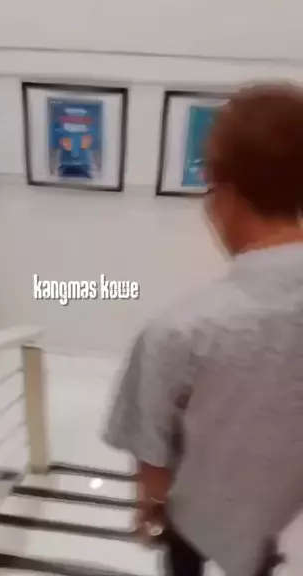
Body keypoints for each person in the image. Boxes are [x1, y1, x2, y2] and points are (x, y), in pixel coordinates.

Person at [104, 83, 303, 576]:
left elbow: (154, 471)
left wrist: (151, 514)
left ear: (224, 195)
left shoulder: (179, 333)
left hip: (206, 541)